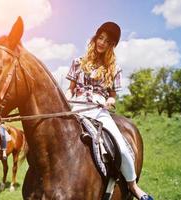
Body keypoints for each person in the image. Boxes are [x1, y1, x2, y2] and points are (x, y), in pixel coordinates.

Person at [65, 22, 153, 200]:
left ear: (112, 45)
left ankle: (133, 185)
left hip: (98, 108)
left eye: (107, 41)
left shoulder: (113, 69)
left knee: (121, 147)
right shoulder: (78, 62)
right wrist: (67, 99)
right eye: (101, 37)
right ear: (96, 38)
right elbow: (71, 88)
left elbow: (112, 95)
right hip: (76, 105)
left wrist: (109, 102)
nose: (102, 43)